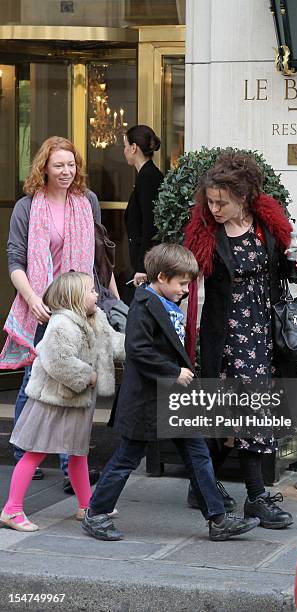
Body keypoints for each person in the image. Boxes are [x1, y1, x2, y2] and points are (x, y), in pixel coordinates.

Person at [81, 243, 260, 542]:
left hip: (172, 399)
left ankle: (217, 519)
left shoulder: (159, 300)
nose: (186, 290)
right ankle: (96, 513)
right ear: (162, 277)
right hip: (147, 401)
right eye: (182, 283)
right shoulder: (143, 306)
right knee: (127, 457)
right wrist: (173, 372)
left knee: (198, 454)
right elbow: (136, 350)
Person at [184, 152, 297, 529]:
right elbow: (186, 271)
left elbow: (286, 267)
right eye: (209, 201)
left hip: (265, 331)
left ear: (243, 196)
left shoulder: (267, 225)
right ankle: (256, 497)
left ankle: (201, 483)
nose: (214, 208)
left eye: (221, 202)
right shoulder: (205, 232)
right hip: (227, 336)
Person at [0, 136, 118, 484]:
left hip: (78, 305)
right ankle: (24, 454)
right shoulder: (27, 207)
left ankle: (72, 466)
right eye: (59, 166)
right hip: (40, 307)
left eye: (71, 165)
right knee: (32, 380)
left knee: (76, 380)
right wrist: (33, 298)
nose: (67, 172)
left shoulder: (88, 202)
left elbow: (97, 256)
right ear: (44, 169)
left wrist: (112, 296)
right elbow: (15, 260)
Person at [0, 272, 125, 532]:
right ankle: (12, 510)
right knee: (35, 451)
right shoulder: (61, 325)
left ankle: (86, 505)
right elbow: (58, 361)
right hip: (51, 402)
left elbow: (113, 343)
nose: (96, 294)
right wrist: (88, 376)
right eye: (91, 290)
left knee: (78, 452)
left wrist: (140, 343)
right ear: (75, 298)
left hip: (77, 403)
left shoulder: (95, 319)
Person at [123, 124, 164, 288]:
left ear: (133, 148)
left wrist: (143, 267)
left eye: (125, 146)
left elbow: (150, 224)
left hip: (147, 267)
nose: (124, 151)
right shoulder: (146, 175)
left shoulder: (148, 177)